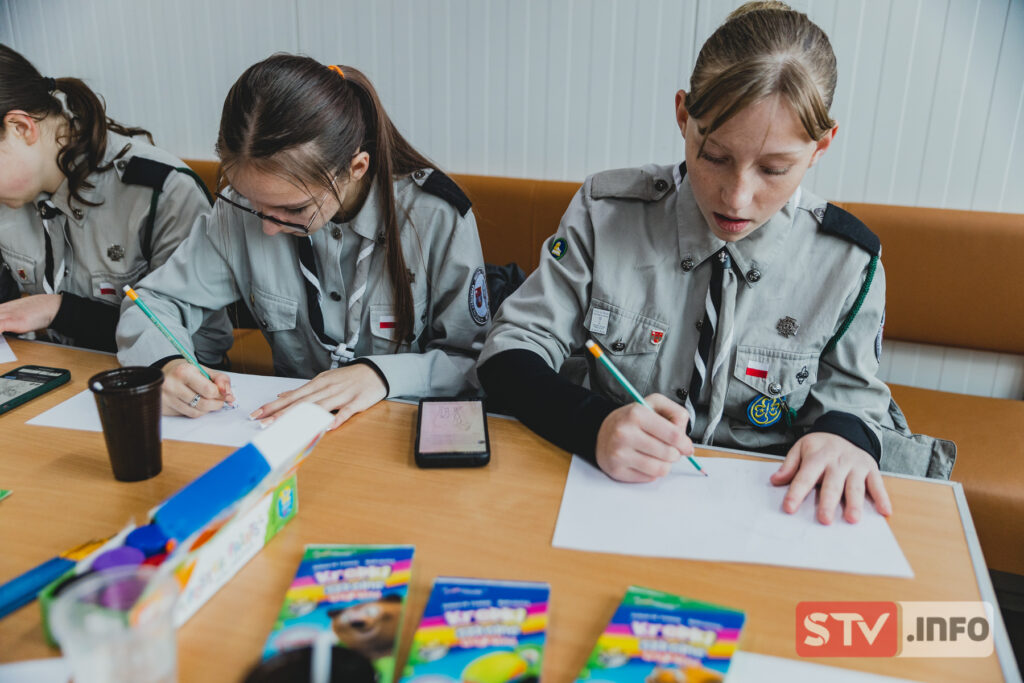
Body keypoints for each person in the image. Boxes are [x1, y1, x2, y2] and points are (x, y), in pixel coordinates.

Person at [477, 1, 954, 525]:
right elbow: (509, 350)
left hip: (768, 516)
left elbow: (851, 397)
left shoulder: (848, 263)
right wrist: (593, 425)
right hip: (614, 500)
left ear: (821, 147)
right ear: (683, 116)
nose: (736, 197)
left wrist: (842, 438)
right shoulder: (605, 213)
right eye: (715, 156)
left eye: (774, 169)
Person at [116, 55, 491, 429]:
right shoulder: (238, 211)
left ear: (355, 168)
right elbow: (152, 303)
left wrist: (380, 376)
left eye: (294, 209)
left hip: (400, 427)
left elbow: (472, 360)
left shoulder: (436, 217)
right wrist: (166, 363)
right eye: (253, 203)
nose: (267, 228)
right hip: (284, 430)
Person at [0, 44, 231, 357]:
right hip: (60, 372)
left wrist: (61, 311)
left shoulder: (163, 191)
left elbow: (202, 344)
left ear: (21, 128)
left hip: (158, 382)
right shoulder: (12, 194)